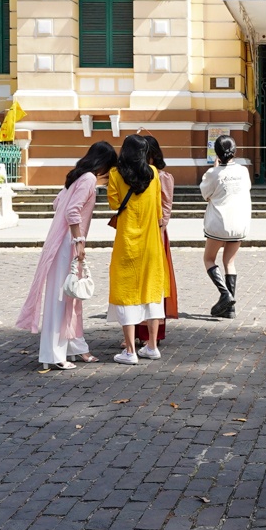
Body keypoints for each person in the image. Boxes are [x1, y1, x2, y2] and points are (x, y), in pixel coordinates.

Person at [17, 142, 116, 369]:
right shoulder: (89, 179)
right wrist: (79, 241)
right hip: (67, 243)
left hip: (62, 241)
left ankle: (74, 348)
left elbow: (58, 204)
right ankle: (54, 355)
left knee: (71, 297)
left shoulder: (77, 177)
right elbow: (72, 210)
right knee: (61, 298)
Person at [104, 135, 168, 365]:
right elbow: (159, 211)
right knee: (152, 293)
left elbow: (114, 203)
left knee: (126, 293)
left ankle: (130, 350)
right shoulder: (154, 174)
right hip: (151, 243)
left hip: (127, 243)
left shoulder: (115, 175)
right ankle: (151, 346)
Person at [200, 135, 252, 318]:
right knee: (229, 261)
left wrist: (214, 170)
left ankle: (225, 294)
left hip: (218, 223)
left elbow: (205, 194)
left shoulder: (212, 173)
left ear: (218, 153)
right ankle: (230, 309)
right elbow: (247, 188)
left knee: (208, 259)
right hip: (239, 223)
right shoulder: (243, 171)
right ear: (234, 151)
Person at [142, 136, 179, 356]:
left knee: (154, 283)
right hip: (139, 233)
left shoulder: (163, 177)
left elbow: (165, 209)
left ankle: (152, 334)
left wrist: (159, 230)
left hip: (156, 234)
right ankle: (137, 332)